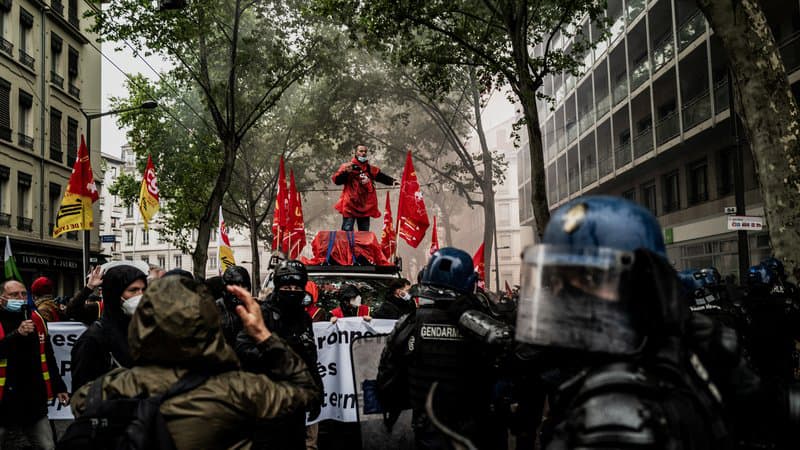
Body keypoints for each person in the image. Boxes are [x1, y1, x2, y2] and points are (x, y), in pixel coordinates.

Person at [514, 196, 732, 449]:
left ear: (637, 281)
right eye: (560, 279)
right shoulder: (688, 345)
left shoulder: (614, 417)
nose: (563, 295)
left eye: (583, 280)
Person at [71, 276, 323, 449]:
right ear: (208, 325)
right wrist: (263, 335)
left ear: (143, 326)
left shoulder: (101, 391)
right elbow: (306, 391)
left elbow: (81, 407)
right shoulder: (240, 391)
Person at [377, 247, 504, 450]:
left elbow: (386, 382)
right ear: (470, 282)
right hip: (473, 430)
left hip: (427, 428)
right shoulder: (482, 325)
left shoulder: (409, 322)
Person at [236, 260, 323, 450]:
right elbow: (243, 347)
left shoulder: (304, 318)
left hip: (295, 401)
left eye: (296, 287)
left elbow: (310, 355)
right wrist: (273, 352)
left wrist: (317, 388)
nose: (292, 291)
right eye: (287, 286)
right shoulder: (263, 314)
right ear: (278, 286)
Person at [0, 279, 69, 450]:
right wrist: (17, 334)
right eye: (14, 295)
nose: (21, 298)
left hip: (32, 400)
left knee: (47, 446)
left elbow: (47, 355)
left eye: (24, 294)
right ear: (1, 298)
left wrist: (59, 386)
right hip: (3, 400)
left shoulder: (36, 318)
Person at [71, 265, 147, 392]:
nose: (141, 295)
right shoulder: (93, 339)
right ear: (115, 293)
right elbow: (83, 397)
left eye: (143, 290)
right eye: (133, 290)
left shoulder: (142, 331)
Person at [331, 144, 396, 231]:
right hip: (350, 205)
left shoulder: (369, 169)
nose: (363, 153)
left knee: (364, 234)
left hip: (365, 207)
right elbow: (337, 181)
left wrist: (393, 182)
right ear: (355, 153)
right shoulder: (347, 167)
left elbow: (381, 177)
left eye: (365, 151)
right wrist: (346, 173)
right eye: (361, 151)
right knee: (346, 233)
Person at [216, 265, 251, 346]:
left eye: (244, 285)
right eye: (235, 285)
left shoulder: (257, 309)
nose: (240, 290)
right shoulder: (214, 310)